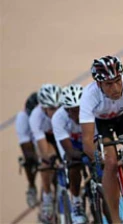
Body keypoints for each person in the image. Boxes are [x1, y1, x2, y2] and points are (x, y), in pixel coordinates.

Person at [80, 55, 123, 223]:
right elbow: (87, 142)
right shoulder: (89, 97)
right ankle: (115, 218)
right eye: (109, 84)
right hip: (101, 123)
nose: (116, 87)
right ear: (99, 84)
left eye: (118, 80)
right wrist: (101, 160)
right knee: (110, 163)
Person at [51, 84, 87, 224]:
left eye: (80, 109)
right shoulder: (58, 118)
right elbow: (69, 151)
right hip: (70, 144)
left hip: (87, 140)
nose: (78, 114)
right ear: (66, 110)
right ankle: (77, 203)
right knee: (73, 165)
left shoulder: (92, 110)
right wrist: (77, 156)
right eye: (73, 110)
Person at [29, 84, 62, 223]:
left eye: (58, 107)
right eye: (51, 108)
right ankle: (47, 197)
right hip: (47, 139)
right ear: (43, 107)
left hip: (61, 135)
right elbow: (43, 148)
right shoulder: (36, 117)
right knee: (47, 162)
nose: (56, 112)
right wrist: (50, 160)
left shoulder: (64, 111)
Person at [15, 92, 40, 208]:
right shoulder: (22, 118)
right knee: (29, 160)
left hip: (44, 137)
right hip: (32, 143)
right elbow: (26, 147)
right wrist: (36, 158)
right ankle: (32, 186)